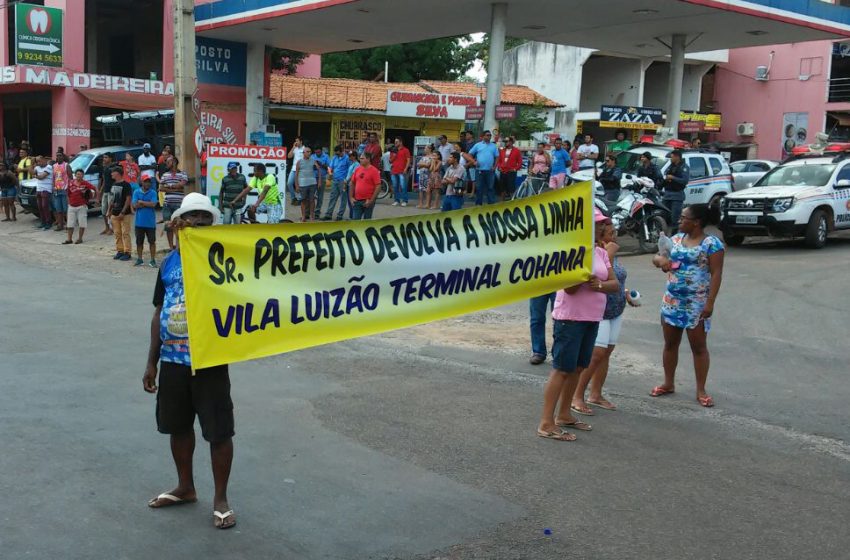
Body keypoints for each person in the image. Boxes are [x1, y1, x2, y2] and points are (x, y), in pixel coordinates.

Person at [142, 193, 237, 530]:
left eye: (204, 217)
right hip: (172, 361)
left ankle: (221, 499)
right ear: (180, 222)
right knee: (178, 426)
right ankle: (185, 487)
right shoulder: (168, 262)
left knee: (218, 430)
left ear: (212, 223)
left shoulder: (223, 257)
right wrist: (151, 361)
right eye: (191, 216)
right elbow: (158, 310)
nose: (197, 221)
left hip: (210, 360)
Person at [537, 209, 620, 441]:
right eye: (599, 224)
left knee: (578, 367)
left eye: (603, 224)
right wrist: (583, 272)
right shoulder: (569, 250)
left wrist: (599, 285)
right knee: (562, 368)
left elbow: (614, 283)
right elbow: (570, 288)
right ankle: (546, 422)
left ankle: (564, 415)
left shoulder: (600, 252)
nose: (603, 228)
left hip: (592, 317)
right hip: (570, 318)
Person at [651, 204, 725, 408]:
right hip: (672, 301)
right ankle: (668, 383)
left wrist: (710, 303)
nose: (679, 221)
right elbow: (658, 257)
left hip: (696, 304)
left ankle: (701, 390)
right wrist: (661, 262)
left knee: (699, 347)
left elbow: (716, 273)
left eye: (683, 218)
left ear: (696, 222)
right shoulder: (674, 240)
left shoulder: (712, 244)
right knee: (670, 344)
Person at [571, 220, 637, 414]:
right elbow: (597, 277)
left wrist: (625, 292)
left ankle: (596, 393)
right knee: (596, 354)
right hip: (599, 310)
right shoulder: (598, 252)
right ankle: (577, 395)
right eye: (609, 233)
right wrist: (611, 251)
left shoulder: (609, 252)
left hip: (616, 309)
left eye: (614, 232)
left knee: (606, 353)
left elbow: (615, 280)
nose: (613, 237)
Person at [160, 157, 189, 250]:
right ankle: (171, 247)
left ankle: (178, 246)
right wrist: (176, 188)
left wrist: (169, 186)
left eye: (168, 162)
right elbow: (160, 188)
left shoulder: (183, 174)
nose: (167, 164)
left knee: (178, 225)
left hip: (179, 204)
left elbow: (182, 185)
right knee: (168, 226)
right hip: (167, 204)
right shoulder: (165, 174)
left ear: (174, 162)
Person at [465, 130, 499, 205]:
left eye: (490, 135)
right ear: (483, 136)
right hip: (479, 170)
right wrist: (474, 162)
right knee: (479, 188)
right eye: (487, 135)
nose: (489, 136)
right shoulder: (478, 145)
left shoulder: (493, 146)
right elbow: (469, 154)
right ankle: (478, 205)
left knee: (490, 188)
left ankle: (491, 205)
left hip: (490, 171)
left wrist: (494, 167)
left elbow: (497, 157)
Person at [107, 167, 133, 261]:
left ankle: (127, 252)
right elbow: (111, 199)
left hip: (125, 213)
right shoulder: (113, 184)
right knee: (117, 233)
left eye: (113, 172)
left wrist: (123, 211)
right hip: (115, 212)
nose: (111, 174)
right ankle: (120, 250)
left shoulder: (126, 185)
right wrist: (109, 210)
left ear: (117, 173)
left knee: (125, 233)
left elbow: (128, 199)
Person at [63, 169, 96, 245]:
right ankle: (69, 239)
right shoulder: (71, 183)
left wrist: (95, 198)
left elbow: (94, 189)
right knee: (70, 224)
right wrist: (69, 202)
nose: (79, 175)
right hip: (72, 205)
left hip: (81, 206)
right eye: (77, 174)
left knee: (82, 223)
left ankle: (80, 238)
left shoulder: (85, 183)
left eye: (80, 174)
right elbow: (68, 193)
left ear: (83, 175)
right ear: (75, 175)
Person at [132, 177, 159, 267]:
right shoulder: (136, 192)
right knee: (139, 242)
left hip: (150, 223)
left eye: (149, 182)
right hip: (139, 223)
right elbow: (135, 205)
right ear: (142, 182)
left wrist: (141, 202)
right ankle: (140, 259)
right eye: (145, 182)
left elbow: (153, 204)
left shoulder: (153, 192)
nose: (148, 184)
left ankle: (152, 260)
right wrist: (147, 203)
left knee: (152, 242)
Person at [662, 149, 690, 230]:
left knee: (675, 218)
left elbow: (685, 181)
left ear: (677, 157)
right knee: (663, 216)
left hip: (677, 195)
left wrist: (673, 177)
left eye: (672, 157)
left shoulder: (684, 167)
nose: (671, 159)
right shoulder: (671, 166)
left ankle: (674, 237)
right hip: (667, 194)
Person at [349, 153, 381, 220]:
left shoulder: (374, 171)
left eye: (362, 158)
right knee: (355, 221)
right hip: (357, 200)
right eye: (360, 158)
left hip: (368, 200)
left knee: (367, 221)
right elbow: (352, 183)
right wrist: (351, 197)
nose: (360, 160)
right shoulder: (357, 169)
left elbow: (378, 186)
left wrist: (371, 200)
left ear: (368, 159)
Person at [323, 145, 350, 221]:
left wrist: (347, 180)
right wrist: (330, 172)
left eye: (338, 153)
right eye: (336, 153)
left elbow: (350, 170)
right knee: (332, 198)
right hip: (335, 180)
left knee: (343, 199)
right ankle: (328, 214)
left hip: (343, 181)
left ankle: (340, 215)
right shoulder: (335, 157)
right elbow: (330, 167)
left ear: (342, 151)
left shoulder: (347, 159)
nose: (336, 155)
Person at [294, 147, 320, 222]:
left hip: (312, 183)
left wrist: (319, 181)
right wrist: (296, 185)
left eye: (310, 151)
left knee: (312, 200)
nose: (309, 153)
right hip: (302, 184)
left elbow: (319, 170)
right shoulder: (299, 162)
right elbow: (296, 174)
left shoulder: (313, 161)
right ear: (303, 153)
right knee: (303, 200)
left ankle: (312, 216)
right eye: (307, 151)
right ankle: (303, 216)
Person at [497, 136, 522, 201]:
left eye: (506, 141)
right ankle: (502, 203)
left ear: (511, 142)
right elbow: (499, 161)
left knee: (511, 188)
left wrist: (514, 169)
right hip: (502, 171)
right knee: (502, 188)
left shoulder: (516, 151)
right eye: (504, 141)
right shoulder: (502, 150)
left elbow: (520, 162)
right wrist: (499, 167)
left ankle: (513, 203)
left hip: (511, 172)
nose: (505, 143)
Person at [389, 137, 411, 207]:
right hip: (394, 171)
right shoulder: (393, 150)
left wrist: (406, 168)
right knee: (395, 186)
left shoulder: (406, 150)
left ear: (401, 142)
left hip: (402, 171)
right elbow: (390, 161)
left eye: (397, 142)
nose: (395, 143)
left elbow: (408, 160)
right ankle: (396, 200)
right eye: (395, 142)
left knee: (403, 186)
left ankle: (404, 200)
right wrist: (394, 155)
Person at [34, 156, 54, 230]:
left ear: (44, 160)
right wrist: (31, 162)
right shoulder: (37, 167)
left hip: (46, 188)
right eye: (37, 161)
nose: (39, 163)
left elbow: (42, 177)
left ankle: (49, 222)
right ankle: (43, 222)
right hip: (39, 188)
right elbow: (32, 172)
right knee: (40, 206)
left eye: (40, 161)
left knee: (45, 206)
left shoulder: (49, 167)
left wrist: (36, 175)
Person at [52, 152, 70, 231]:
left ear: (63, 157)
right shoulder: (54, 166)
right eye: (57, 156)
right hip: (57, 190)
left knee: (66, 209)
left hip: (64, 190)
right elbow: (53, 178)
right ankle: (60, 225)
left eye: (60, 156)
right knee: (58, 209)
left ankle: (68, 225)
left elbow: (71, 177)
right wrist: (53, 187)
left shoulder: (66, 165)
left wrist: (69, 188)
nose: (58, 157)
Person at [310, 147, 330, 220]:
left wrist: (321, 164)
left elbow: (329, 168)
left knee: (320, 197)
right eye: (316, 152)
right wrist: (314, 166)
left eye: (319, 152)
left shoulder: (326, 156)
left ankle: (317, 213)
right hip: (312, 178)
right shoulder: (312, 156)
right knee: (310, 196)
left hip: (322, 178)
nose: (317, 154)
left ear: (321, 151)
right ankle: (308, 213)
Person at [99, 153, 116, 235]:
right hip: (106, 191)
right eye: (103, 157)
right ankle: (107, 227)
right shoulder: (104, 167)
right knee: (104, 211)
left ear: (110, 158)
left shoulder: (113, 168)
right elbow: (104, 180)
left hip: (111, 191)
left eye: (106, 157)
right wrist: (100, 191)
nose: (104, 159)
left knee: (110, 211)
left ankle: (112, 228)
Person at [286, 137, 305, 205]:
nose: (296, 142)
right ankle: (293, 197)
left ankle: (300, 199)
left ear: (301, 141)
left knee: (299, 184)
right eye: (295, 141)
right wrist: (293, 147)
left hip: (301, 169)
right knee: (289, 183)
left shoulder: (304, 149)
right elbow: (289, 156)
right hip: (293, 169)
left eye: (297, 141)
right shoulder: (295, 149)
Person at [343, 150, 360, 219]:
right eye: (349, 156)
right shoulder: (352, 164)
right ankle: (351, 216)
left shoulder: (357, 164)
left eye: (350, 156)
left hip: (351, 184)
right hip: (348, 183)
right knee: (350, 202)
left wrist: (346, 180)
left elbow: (353, 175)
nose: (349, 157)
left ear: (354, 156)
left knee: (352, 201)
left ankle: (353, 217)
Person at [416, 145, 434, 209]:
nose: (424, 149)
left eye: (425, 148)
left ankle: (427, 204)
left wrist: (422, 164)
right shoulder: (424, 157)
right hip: (421, 175)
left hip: (428, 175)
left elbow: (429, 165)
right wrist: (424, 164)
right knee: (421, 189)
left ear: (430, 149)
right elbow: (418, 165)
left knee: (428, 190)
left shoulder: (432, 157)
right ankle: (420, 203)